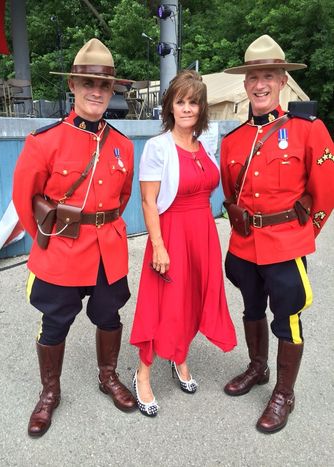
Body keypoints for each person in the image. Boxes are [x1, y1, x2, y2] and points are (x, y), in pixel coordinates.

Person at [13, 38, 136, 437]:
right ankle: (50, 393)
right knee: (54, 324)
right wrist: (50, 240)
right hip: (62, 251)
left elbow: (122, 197)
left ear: (112, 88)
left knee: (109, 316)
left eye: (103, 85)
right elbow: (24, 200)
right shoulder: (44, 141)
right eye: (87, 84)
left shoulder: (121, 145)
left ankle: (108, 376)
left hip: (108, 252)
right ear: (72, 86)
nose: (96, 92)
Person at [220, 34, 334, 433]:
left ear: (282, 80)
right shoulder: (233, 140)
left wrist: (304, 234)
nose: (260, 84)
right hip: (245, 244)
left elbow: (324, 192)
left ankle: (285, 393)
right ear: (246, 83)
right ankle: (257, 368)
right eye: (254, 77)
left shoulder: (308, 129)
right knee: (252, 309)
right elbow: (229, 191)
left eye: (269, 75)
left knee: (288, 319)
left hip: (287, 244)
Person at [130, 70, 237, 417]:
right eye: (181, 101)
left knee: (192, 298)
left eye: (194, 102)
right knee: (161, 303)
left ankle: (179, 356)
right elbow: (148, 202)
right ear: (170, 106)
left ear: (202, 108)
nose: (187, 108)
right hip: (171, 233)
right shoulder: (157, 146)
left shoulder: (205, 144)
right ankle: (143, 374)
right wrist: (158, 245)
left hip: (202, 232)